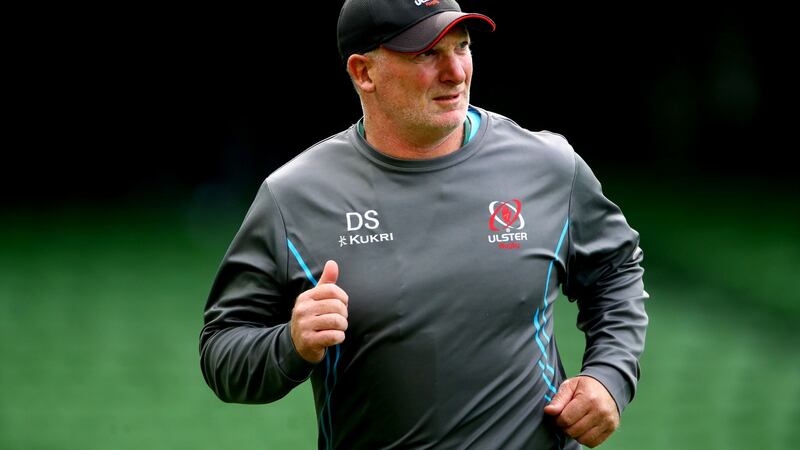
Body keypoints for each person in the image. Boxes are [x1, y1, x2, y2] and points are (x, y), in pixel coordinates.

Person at [199, 0, 649, 448]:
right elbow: (221, 349)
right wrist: (291, 343)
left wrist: (608, 377)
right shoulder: (294, 197)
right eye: (426, 54)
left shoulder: (548, 166)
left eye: (462, 46)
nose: (455, 72)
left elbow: (616, 272)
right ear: (363, 73)